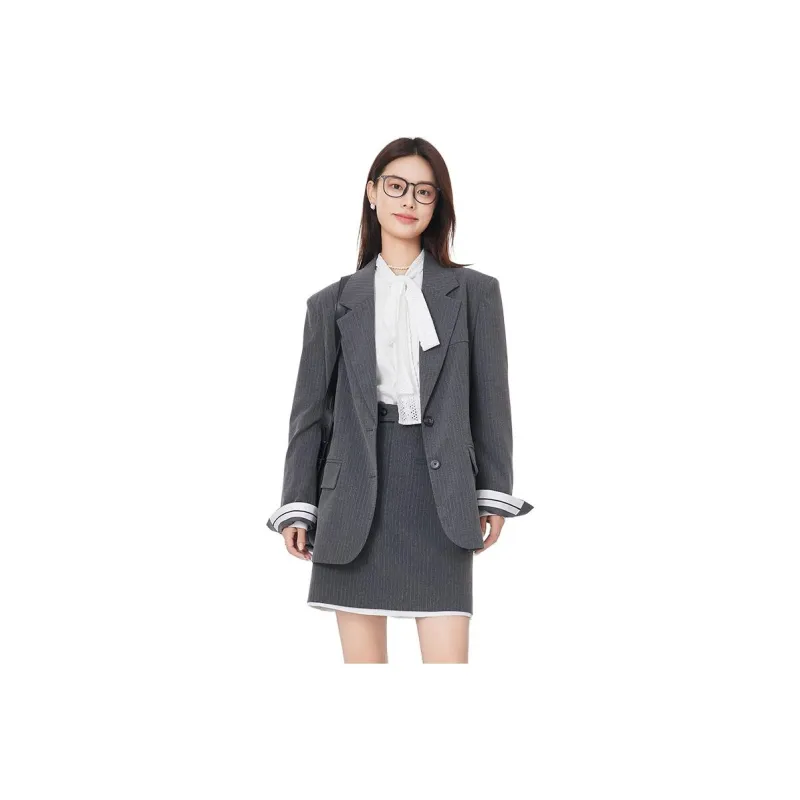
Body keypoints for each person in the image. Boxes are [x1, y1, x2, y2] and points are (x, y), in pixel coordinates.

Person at [267, 137, 533, 663]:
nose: (409, 200)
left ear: (438, 205)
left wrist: (493, 490)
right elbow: (309, 416)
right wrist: (298, 502)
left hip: (441, 494)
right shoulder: (330, 303)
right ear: (372, 193)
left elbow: (492, 401)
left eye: (424, 192)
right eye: (396, 186)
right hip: (353, 499)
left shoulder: (476, 293)